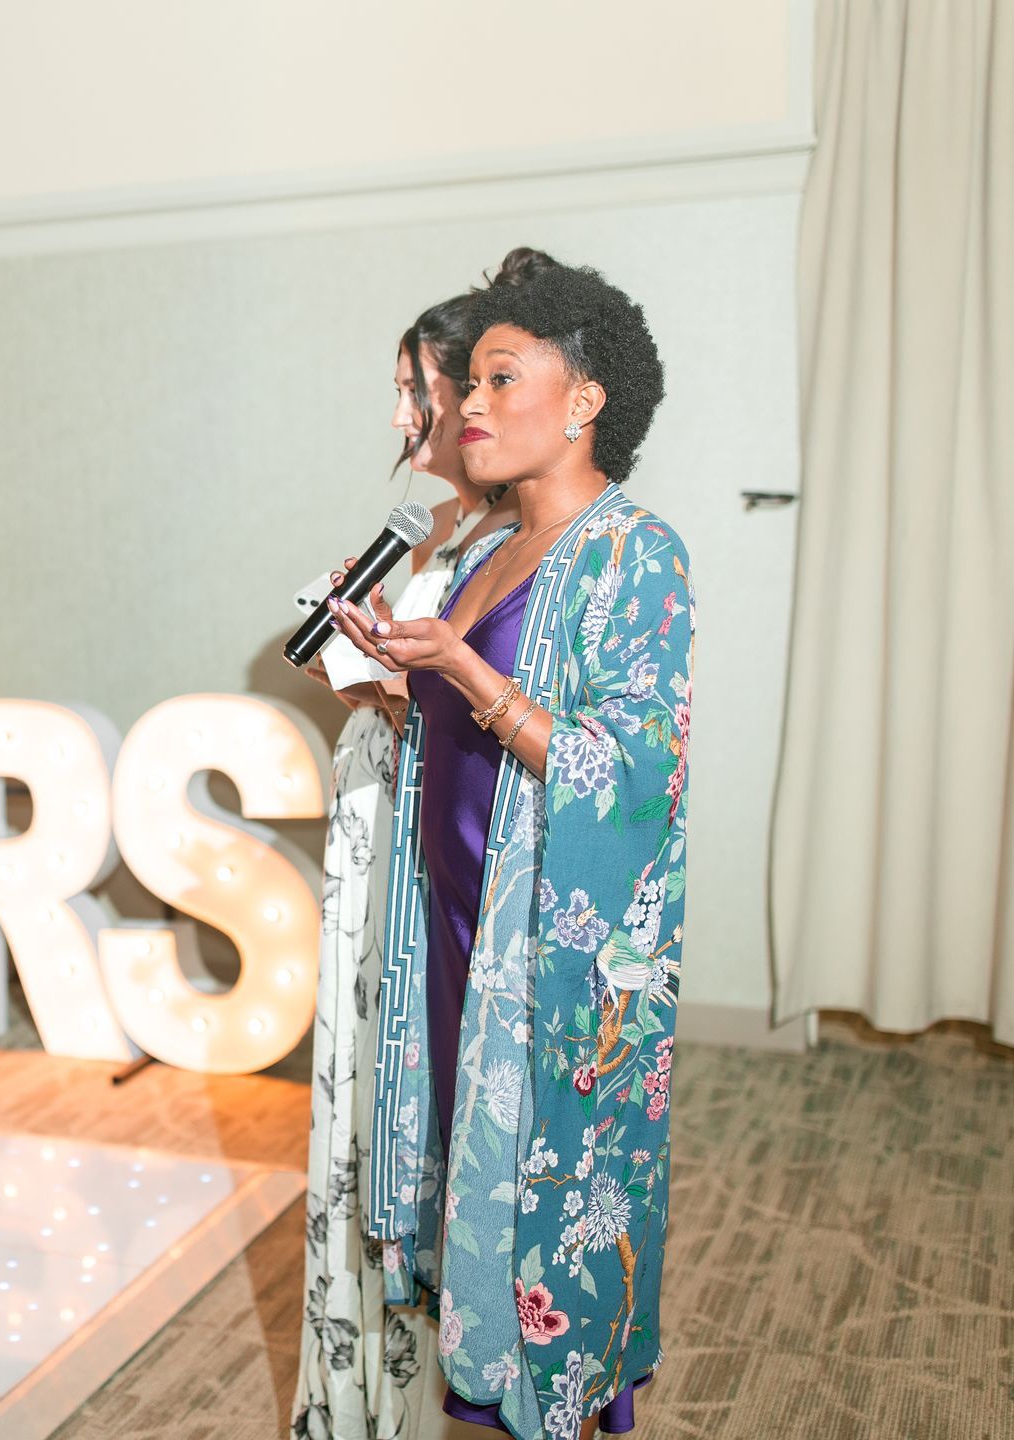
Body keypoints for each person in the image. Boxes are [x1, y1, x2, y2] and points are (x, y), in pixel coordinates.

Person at [328, 261, 689, 1439]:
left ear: (584, 398)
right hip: (455, 927)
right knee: (477, 1201)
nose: (466, 404)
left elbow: (632, 772)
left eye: (498, 378)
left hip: (545, 953)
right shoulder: (493, 552)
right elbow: (461, 730)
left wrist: (465, 669)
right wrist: (401, 672)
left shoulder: (637, 551)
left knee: (550, 1214)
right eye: (466, 383)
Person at [294, 250, 554, 1440]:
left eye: (419, 389)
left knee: (423, 1103)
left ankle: (428, 1376)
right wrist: (354, 658)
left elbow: (496, 707)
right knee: (356, 1095)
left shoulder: (514, 540)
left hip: (427, 837)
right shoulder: (430, 526)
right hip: (371, 818)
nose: (405, 416)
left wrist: (407, 687)